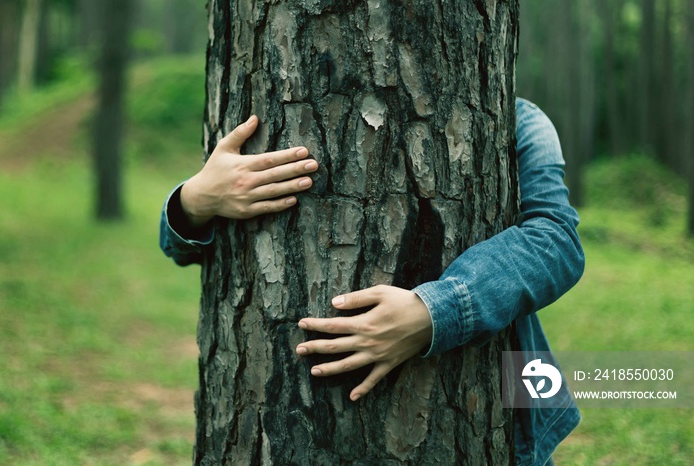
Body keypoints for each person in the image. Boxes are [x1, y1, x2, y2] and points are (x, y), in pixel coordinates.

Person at [160, 98, 585, 466]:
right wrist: (194, 200)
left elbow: (558, 241)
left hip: (493, 412)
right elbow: (178, 247)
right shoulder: (253, 114)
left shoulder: (517, 118)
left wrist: (434, 312)